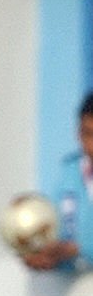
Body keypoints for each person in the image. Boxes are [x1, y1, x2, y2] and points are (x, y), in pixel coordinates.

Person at [21, 92, 93, 271]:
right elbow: (57, 228)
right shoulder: (69, 174)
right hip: (77, 292)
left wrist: (79, 249)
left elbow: (74, 248)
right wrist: (41, 253)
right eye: (88, 133)